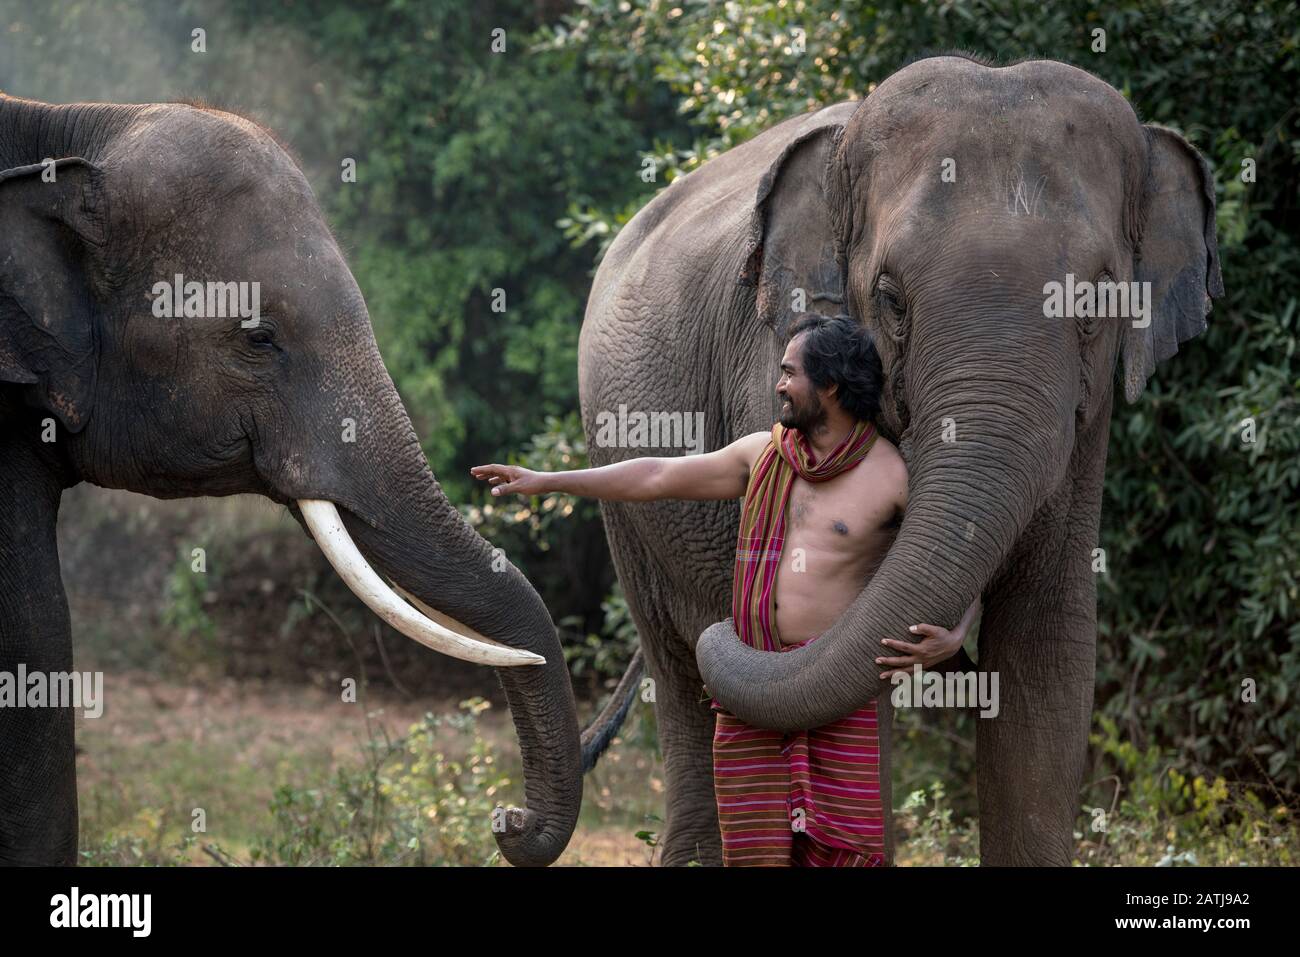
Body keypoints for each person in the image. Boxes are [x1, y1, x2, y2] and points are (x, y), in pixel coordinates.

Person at [472, 313, 979, 866]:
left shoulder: (891, 474)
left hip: (839, 689)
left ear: (830, 385)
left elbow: (960, 552)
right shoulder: (763, 453)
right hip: (749, 686)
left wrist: (956, 634)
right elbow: (656, 476)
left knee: (845, 853)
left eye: (790, 373)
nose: (779, 385)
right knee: (752, 853)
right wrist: (546, 480)